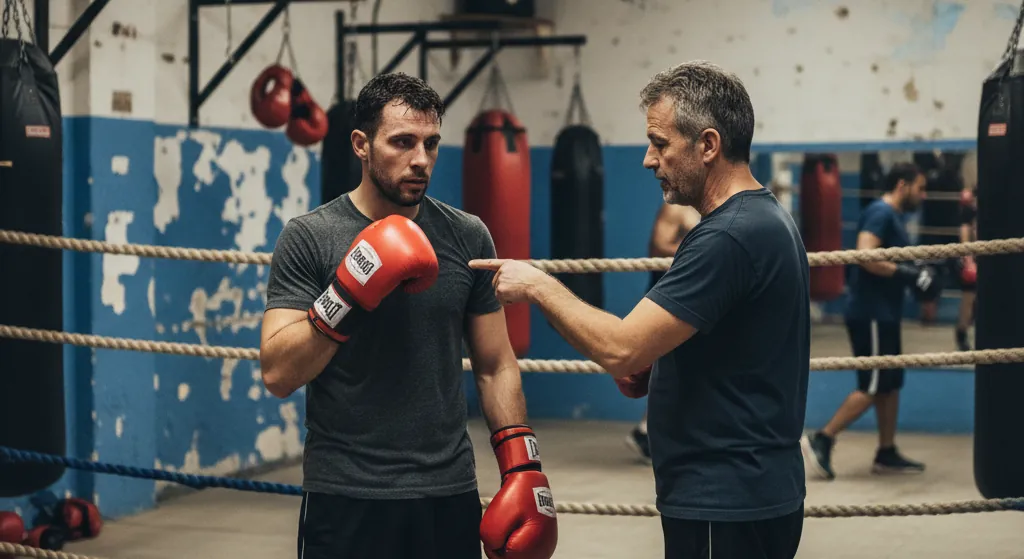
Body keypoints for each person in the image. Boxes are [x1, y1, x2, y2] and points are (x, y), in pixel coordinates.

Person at [472, 61, 808, 559]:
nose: (650, 159)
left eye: (661, 143)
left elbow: (620, 349)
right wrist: (665, 365)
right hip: (748, 492)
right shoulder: (766, 218)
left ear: (708, 145)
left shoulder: (727, 237)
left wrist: (538, 285)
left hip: (725, 498)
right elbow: (736, 343)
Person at [259, 72, 557, 559]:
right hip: (346, 494)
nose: (421, 160)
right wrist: (348, 295)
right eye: (402, 142)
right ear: (361, 144)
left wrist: (522, 468)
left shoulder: (468, 236)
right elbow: (277, 373)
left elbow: (494, 363)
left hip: (447, 492)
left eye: (431, 144)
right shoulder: (310, 236)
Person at [801, 162, 933, 481]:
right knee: (873, 385)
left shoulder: (894, 217)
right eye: (920, 187)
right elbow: (865, 255)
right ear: (902, 185)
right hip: (871, 313)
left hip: (885, 311)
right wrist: (906, 273)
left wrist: (916, 271)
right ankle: (824, 437)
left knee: (890, 383)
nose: (924, 195)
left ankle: (886, 451)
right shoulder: (881, 212)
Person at [626, 202, 700, 463]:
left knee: (687, 369)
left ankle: (650, 431)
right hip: (669, 298)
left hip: (696, 299)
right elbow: (657, 248)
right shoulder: (676, 209)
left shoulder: (717, 210)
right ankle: (647, 431)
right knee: (671, 367)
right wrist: (704, 252)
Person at [953, 185, 977, 351]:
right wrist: (968, 260)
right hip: (973, 257)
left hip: (991, 256)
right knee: (969, 298)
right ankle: (961, 333)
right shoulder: (969, 211)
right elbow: (965, 232)